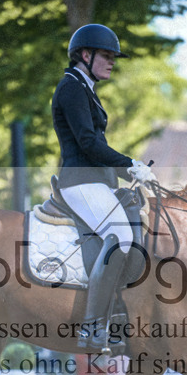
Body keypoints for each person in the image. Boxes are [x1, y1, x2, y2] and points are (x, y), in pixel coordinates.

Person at [51, 23, 156, 352]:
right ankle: (93, 328)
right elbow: (87, 142)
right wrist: (129, 166)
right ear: (85, 55)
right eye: (107, 56)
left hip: (94, 181)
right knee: (121, 237)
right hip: (79, 182)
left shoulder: (85, 88)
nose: (112, 62)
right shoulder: (71, 88)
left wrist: (128, 177)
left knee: (135, 225)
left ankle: (118, 317)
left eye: (113, 57)